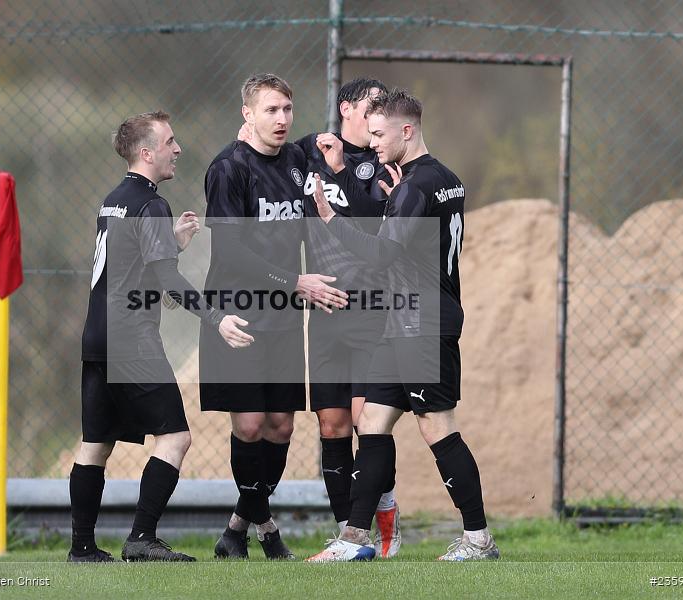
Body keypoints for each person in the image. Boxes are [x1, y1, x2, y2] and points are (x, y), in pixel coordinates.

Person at [306, 89, 500, 562]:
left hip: (423, 322)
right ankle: (353, 539)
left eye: (378, 134)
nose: (371, 143)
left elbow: (382, 254)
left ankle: (478, 540)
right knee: (372, 421)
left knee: (436, 424)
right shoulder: (441, 179)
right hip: (404, 318)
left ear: (406, 131)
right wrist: (397, 206)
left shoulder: (413, 186)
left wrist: (330, 219)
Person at [70, 111, 252, 563]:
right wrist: (216, 319)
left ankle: (82, 547)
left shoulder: (113, 200)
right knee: (175, 438)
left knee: (95, 444)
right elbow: (167, 282)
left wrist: (169, 244)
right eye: (170, 141)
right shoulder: (152, 205)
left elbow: (136, 274)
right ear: (147, 153)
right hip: (131, 340)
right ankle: (141, 538)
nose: (178, 149)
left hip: (97, 337)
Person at [200, 73, 348, 560]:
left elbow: (322, 145)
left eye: (287, 109)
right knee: (248, 425)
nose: (282, 119)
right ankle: (267, 531)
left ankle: (237, 529)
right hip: (237, 315)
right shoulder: (228, 169)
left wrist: (337, 148)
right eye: (270, 110)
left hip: (283, 316)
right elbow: (229, 249)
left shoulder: (296, 158)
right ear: (247, 114)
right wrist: (296, 281)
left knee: (281, 427)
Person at [295, 78, 403, 558]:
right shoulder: (308, 152)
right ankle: (346, 534)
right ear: (346, 108)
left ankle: (383, 520)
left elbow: (374, 232)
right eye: (370, 104)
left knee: (367, 421)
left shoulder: (382, 166)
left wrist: (341, 172)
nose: (377, 113)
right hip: (323, 311)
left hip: (370, 310)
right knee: (332, 424)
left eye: (384, 106)